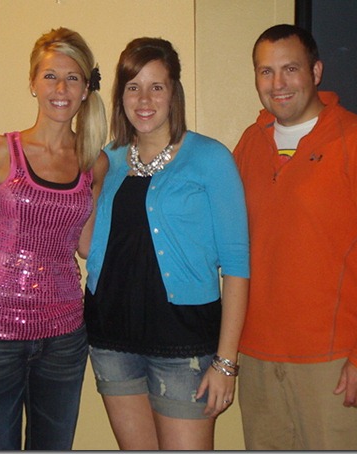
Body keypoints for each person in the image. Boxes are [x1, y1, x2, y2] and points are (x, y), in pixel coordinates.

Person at [233, 24, 357, 450]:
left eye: (290, 69)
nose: (278, 83)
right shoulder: (249, 145)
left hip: (335, 365)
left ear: (316, 71)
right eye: (266, 71)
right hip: (256, 360)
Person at [84, 37, 250, 450]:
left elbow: (237, 265)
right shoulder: (108, 159)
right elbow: (87, 246)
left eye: (156, 86)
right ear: (120, 95)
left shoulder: (211, 158)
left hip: (184, 343)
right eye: (133, 87)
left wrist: (226, 362)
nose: (144, 99)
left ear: (174, 92)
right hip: (112, 340)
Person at [0, 27, 107, 450]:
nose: (60, 89)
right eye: (50, 76)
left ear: (86, 89)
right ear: (32, 82)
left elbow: (86, 246)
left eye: (72, 78)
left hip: (64, 337)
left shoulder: (93, 162)